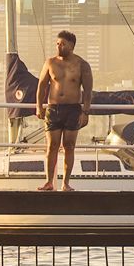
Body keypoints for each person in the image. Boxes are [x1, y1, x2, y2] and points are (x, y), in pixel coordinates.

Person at [35, 30, 92, 191]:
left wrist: (85, 112)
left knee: (69, 146)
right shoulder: (50, 63)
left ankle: (65, 183)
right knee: (52, 146)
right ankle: (49, 181)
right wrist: (39, 106)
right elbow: (41, 86)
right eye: (57, 43)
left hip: (73, 109)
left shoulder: (82, 64)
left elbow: (88, 90)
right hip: (53, 108)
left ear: (71, 46)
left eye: (63, 44)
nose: (59, 46)